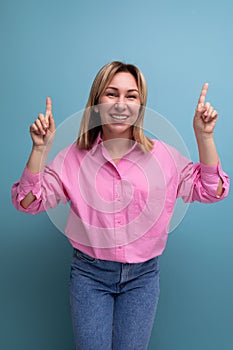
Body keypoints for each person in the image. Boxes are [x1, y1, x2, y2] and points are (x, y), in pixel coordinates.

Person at [12, 61, 230, 350]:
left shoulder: (163, 156)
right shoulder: (72, 158)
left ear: (141, 105)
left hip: (143, 278)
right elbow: (28, 202)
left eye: (131, 96)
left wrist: (205, 137)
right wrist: (39, 149)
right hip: (89, 276)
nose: (121, 104)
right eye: (111, 94)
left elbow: (211, 190)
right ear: (97, 102)